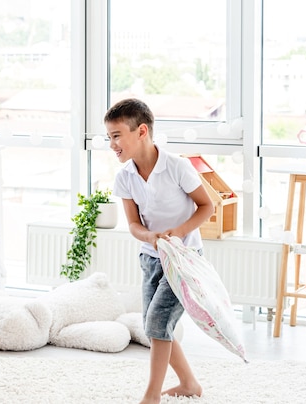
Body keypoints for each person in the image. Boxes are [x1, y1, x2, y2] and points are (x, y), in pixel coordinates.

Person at [105, 98, 214, 404]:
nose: (112, 144)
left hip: (184, 260)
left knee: (156, 323)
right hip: (151, 259)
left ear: (141, 131)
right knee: (156, 325)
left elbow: (208, 206)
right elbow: (133, 225)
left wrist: (177, 233)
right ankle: (189, 383)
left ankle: (151, 396)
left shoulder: (177, 167)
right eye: (109, 138)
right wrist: (151, 237)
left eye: (116, 136)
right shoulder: (124, 177)